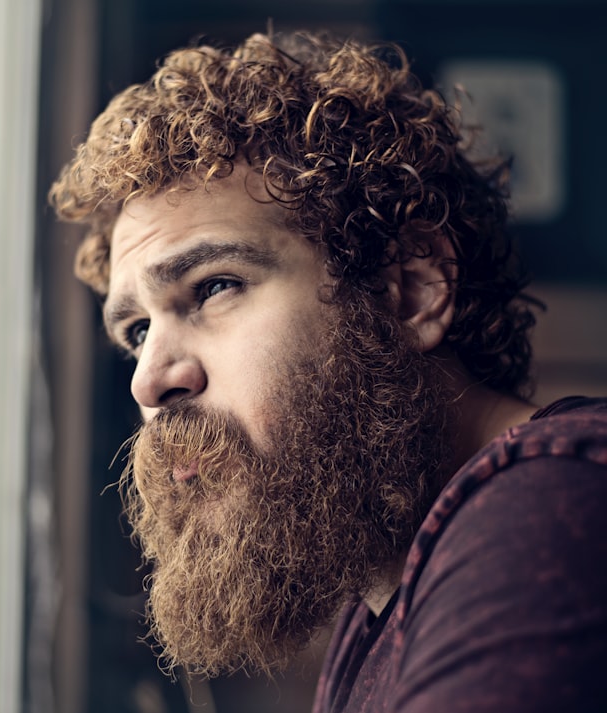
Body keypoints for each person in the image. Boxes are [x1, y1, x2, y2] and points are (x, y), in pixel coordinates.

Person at [48, 29, 607, 712]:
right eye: (137, 331)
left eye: (214, 286)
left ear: (411, 290)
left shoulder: (553, 502)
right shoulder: (383, 598)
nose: (149, 380)